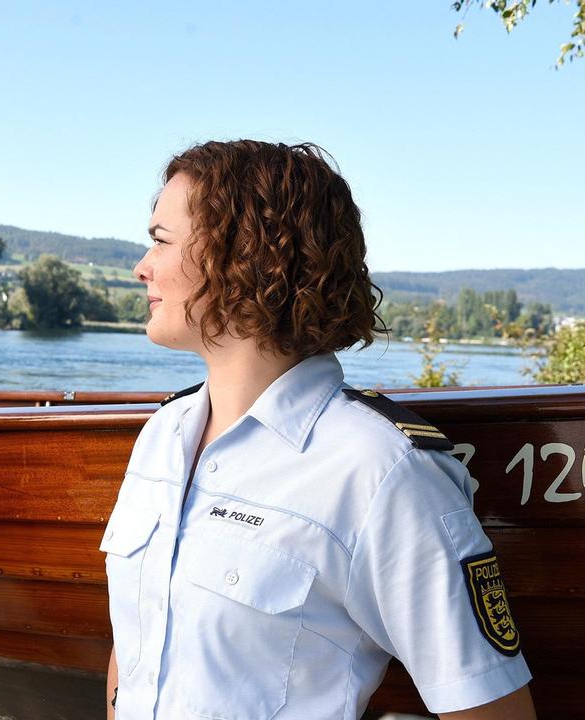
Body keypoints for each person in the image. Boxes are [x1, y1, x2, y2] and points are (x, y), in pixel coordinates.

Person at [102, 140, 534, 720]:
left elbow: (492, 711)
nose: (141, 266)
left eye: (160, 239)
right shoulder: (163, 434)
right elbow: (136, 651)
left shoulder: (380, 471)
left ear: (245, 256)